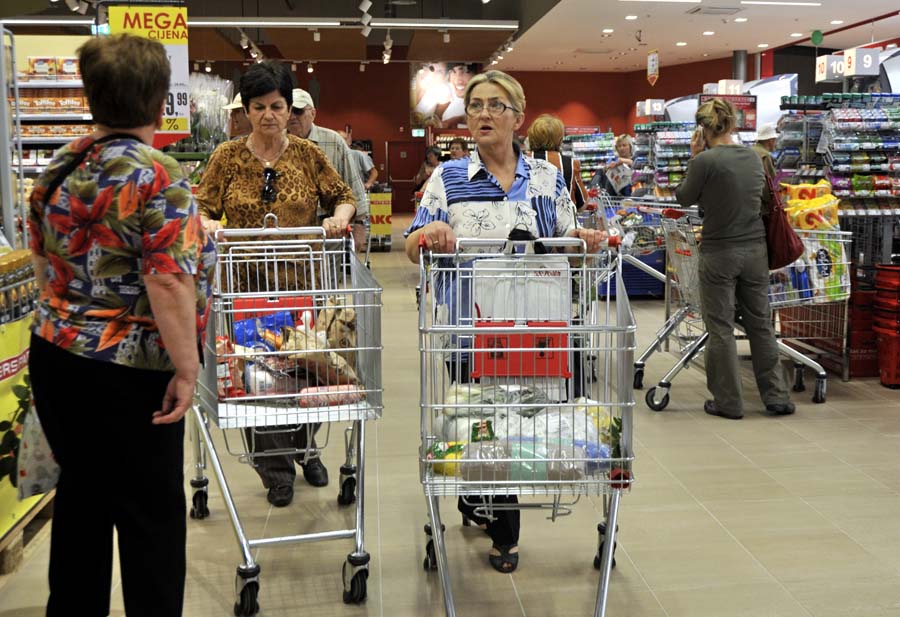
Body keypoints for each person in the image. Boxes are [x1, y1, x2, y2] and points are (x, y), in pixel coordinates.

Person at [26, 33, 216, 617]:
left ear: (90, 96)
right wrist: (187, 368)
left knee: (81, 499)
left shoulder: (62, 164)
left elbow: (42, 262)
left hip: (57, 355)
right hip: (133, 369)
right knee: (151, 515)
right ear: (162, 101)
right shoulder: (161, 176)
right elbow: (167, 281)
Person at [404, 70, 606, 574]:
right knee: (479, 421)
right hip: (471, 330)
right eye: (475, 106)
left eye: (496, 105)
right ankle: (490, 509)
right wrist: (429, 231)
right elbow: (411, 247)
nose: (484, 114)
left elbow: (566, 241)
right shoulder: (447, 178)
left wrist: (585, 240)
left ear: (518, 116)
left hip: (537, 326)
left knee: (517, 423)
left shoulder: (547, 177)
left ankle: (500, 524)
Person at [196, 61, 356, 506]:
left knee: (309, 372)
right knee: (259, 379)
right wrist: (210, 225)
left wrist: (338, 220)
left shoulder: (309, 155)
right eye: (259, 107)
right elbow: (202, 207)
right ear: (246, 111)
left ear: (291, 109)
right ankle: (277, 471)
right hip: (246, 288)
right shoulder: (226, 157)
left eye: (277, 106)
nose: (268, 115)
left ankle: (306, 448)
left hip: (303, 286)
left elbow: (343, 197)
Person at [675, 98, 795, 420]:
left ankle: (728, 403)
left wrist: (693, 157)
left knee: (722, 328)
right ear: (732, 124)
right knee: (760, 326)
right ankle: (777, 397)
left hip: (719, 252)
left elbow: (683, 196)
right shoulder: (755, 158)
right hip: (756, 251)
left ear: (703, 129)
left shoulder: (705, 161)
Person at [288, 88, 368, 254]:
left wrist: (360, 227)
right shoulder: (278, 143)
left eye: (298, 111)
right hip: (289, 232)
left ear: (313, 113)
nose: (292, 116)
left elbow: (353, 186)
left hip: (327, 231)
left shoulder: (333, 141)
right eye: (289, 110)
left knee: (328, 278)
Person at [527, 114, 587, 210]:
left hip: (528, 222)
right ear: (559, 139)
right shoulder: (570, 164)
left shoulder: (520, 161)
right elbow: (582, 203)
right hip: (562, 223)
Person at [435, 63, 476, 128]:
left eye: (465, 72)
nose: (457, 80)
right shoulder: (450, 94)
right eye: (453, 72)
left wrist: (457, 120)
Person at [753, 123, 779, 213]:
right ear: (770, 141)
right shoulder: (765, 155)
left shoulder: (749, 151)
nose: (775, 144)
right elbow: (772, 181)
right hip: (761, 205)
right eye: (775, 141)